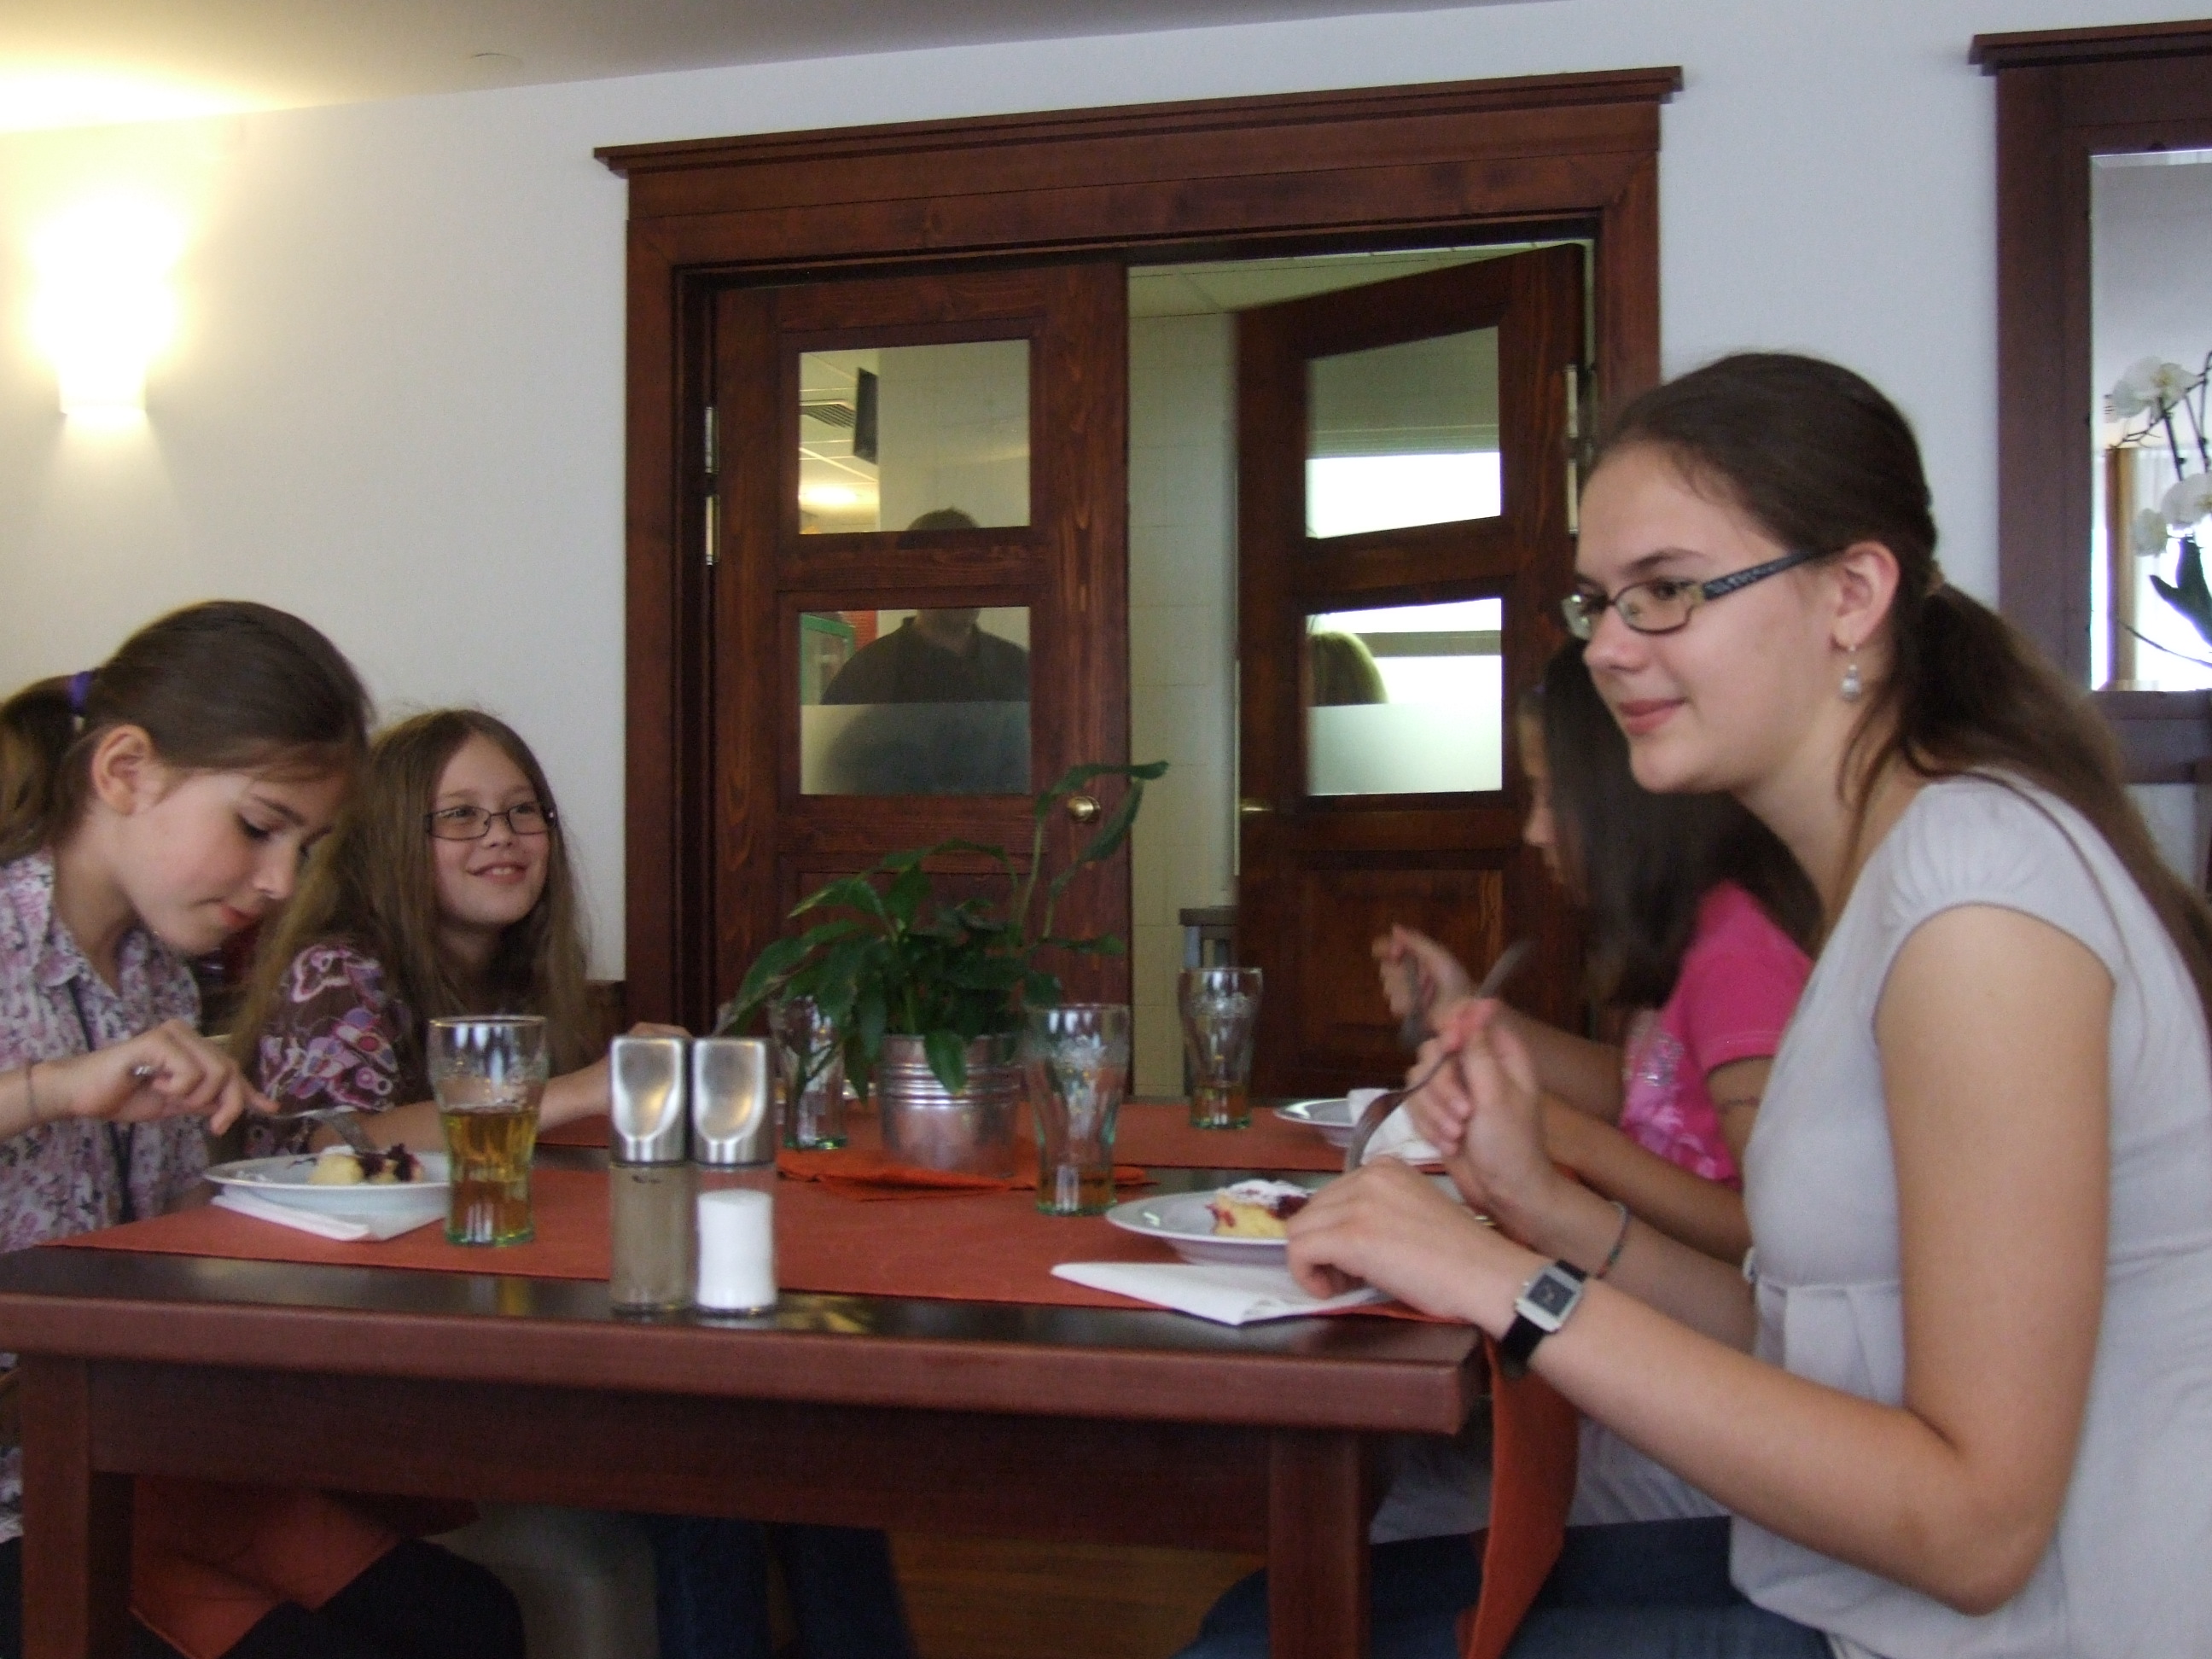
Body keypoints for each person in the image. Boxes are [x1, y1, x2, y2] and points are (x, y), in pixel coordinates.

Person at [1195, 352, 2212, 1656]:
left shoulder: (1977, 904)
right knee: (1270, 1615)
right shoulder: (1890, 877)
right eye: (1598, 602)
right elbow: (1812, 1335)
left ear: (1852, 596)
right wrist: (1543, 1208)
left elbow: (1974, 1531)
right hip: (1843, 1592)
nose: (1609, 649)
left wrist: (1504, 1280)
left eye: (1668, 591)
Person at [233, 708, 917, 1659]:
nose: (503, 837)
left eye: (524, 812)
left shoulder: (522, 975)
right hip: (367, 1356)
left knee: (800, 1438)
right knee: (710, 1469)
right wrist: (583, 1088)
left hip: (491, 1325)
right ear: (391, 837)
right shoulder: (339, 968)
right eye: (461, 816)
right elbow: (329, 1140)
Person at [0, 603, 524, 1659]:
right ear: (125, 772)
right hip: (29, 1486)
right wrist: (51, 1090)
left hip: (139, 1453)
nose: (282, 881)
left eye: (305, 844)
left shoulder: (154, 973)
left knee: (469, 1622)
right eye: (257, 826)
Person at [1376, 641, 1819, 1266]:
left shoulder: (1738, 961)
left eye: (1552, 797)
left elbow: (1775, 1237)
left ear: (1629, 799)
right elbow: (1647, 1091)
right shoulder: (1697, 931)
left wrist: (1568, 1138)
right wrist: (1466, 1008)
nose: (1534, 831)